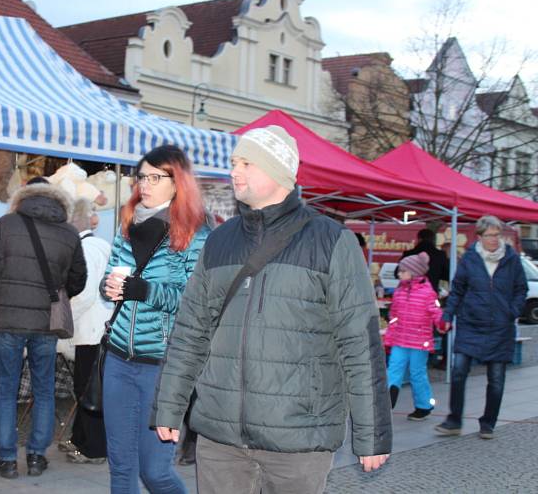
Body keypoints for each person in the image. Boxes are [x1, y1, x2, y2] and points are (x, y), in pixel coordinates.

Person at [152, 126, 392, 494]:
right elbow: (191, 331)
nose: (235, 171)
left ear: (279, 171)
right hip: (221, 436)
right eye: (234, 162)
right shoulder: (220, 240)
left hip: (298, 438)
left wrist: (371, 431)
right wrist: (170, 405)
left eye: (247, 163)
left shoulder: (331, 241)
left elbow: (359, 342)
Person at [100, 144, 210, 494]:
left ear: (177, 182)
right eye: (141, 177)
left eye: (154, 177)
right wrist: (109, 287)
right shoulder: (128, 223)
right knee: (120, 468)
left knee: (155, 472)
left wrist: (144, 291)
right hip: (118, 358)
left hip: (162, 366)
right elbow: (111, 280)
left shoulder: (195, 233)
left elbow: (195, 303)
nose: (143, 185)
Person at [0, 177, 87, 479]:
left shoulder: (6, 224)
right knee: (44, 389)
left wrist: (1, 295)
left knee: (6, 390)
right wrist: (55, 297)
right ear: (56, 199)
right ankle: (37, 456)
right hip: (46, 323)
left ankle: (7, 459)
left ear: (23, 197)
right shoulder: (69, 232)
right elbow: (79, 279)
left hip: (8, 320)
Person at [435, 215, 527, 439]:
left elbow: (521, 289)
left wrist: (511, 311)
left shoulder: (511, 259)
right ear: (479, 236)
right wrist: (448, 315)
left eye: (497, 234)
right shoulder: (470, 259)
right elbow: (457, 290)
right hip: (471, 324)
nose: (494, 239)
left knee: (496, 379)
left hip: (500, 327)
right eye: (489, 235)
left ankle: (488, 423)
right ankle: (454, 421)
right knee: (458, 372)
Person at [57, 199, 112, 465]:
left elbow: (84, 293)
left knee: (89, 389)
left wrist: (65, 320)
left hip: (91, 328)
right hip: (99, 327)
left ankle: (94, 449)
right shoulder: (100, 245)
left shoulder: (86, 248)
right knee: (88, 387)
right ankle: (81, 439)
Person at [385, 252, 449, 421]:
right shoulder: (399, 292)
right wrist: (389, 338)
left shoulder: (428, 293)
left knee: (417, 373)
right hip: (400, 340)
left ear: (414, 272)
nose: (399, 274)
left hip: (419, 342)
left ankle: (424, 405)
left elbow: (436, 311)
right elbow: (394, 317)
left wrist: (442, 323)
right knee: (393, 371)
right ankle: (385, 403)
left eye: (402, 271)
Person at [400, 228, 449, 294]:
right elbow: (447, 275)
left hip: (409, 293)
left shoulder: (408, 254)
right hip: (431, 292)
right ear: (432, 240)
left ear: (419, 239)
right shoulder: (440, 255)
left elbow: (397, 273)